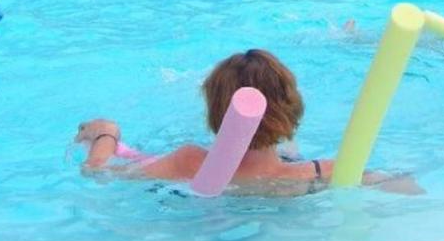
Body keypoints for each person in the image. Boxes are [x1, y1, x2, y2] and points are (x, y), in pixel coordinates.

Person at [76, 49, 419, 194]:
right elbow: (407, 188)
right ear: (294, 108)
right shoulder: (323, 172)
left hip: (212, 184)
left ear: (214, 112)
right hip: (289, 173)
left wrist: (106, 132)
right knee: (287, 150)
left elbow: (97, 173)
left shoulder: (189, 161)